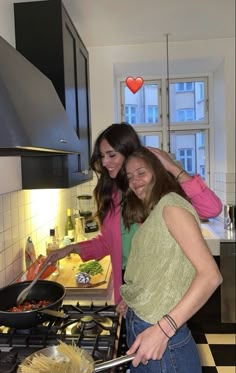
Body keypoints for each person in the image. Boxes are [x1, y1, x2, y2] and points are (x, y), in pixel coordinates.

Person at [46, 122, 222, 304]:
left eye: (111, 155)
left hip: (161, 289)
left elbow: (211, 208)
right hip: (130, 285)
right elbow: (111, 242)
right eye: (102, 156)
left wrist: (172, 167)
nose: (105, 162)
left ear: (129, 153)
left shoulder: (154, 190)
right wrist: (73, 248)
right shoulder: (112, 194)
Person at [119, 147, 223, 373]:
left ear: (157, 172)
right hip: (148, 333)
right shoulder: (154, 211)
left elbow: (211, 276)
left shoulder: (172, 206)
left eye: (141, 173)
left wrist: (164, 329)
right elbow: (159, 269)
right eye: (130, 176)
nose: (135, 181)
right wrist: (136, 298)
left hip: (164, 344)